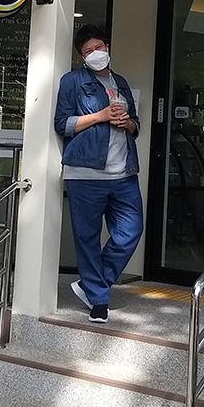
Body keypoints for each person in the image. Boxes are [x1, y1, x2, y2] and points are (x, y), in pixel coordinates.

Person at [54, 24, 144, 323]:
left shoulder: (120, 81)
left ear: (107, 47)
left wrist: (127, 123)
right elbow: (62, 124)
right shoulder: (72, 82)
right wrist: (101, 116)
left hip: (124, 171)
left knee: (131, 230)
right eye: (88, 51)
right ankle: (99, 301)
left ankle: (93, 284)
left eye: (99, 48)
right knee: (87, 237)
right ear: (82, 56)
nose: (95, 54)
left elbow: (136, 126)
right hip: (85, 172)